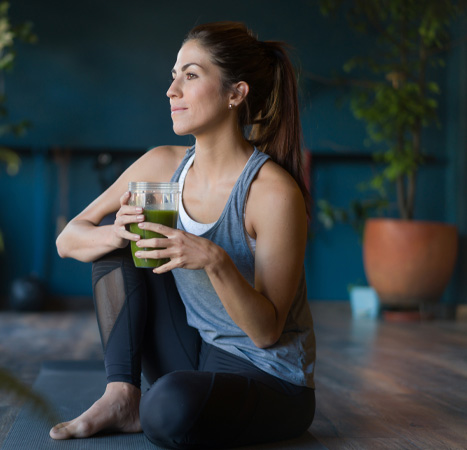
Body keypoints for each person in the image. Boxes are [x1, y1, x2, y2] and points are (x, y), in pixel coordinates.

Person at [50, 21, 316, 449]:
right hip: (197, 350)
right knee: (115, 250)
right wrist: (116, 235)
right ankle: (121, 396)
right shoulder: (161, 166)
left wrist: (214, 260)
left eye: (190, 75)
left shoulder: (271, 193)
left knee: (169, 409)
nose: (172, 90)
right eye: (174, 75)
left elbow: (267, 332)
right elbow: (68, 239)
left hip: (270, 378)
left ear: (236, 93)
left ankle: (156, 404)